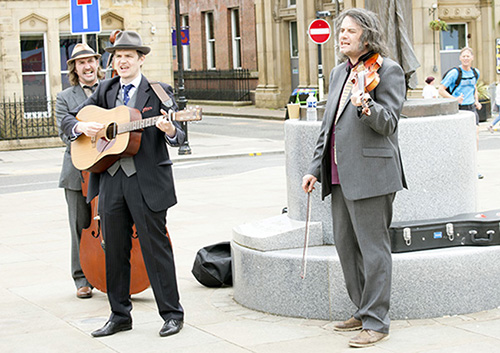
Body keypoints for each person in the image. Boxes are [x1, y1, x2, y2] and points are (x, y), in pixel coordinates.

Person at [61, 31, 185, 338]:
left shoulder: (158, 91)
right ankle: (119, 315)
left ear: (141, 59)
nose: (122, 61)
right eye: (118, 56)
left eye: (129, 56)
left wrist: (170, 129)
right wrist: (81, 126)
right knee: (114, 250)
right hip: (112, 181)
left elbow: (180, 136)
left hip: (147, 182)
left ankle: (171, 313)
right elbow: (72, 119)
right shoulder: (106, 89)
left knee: (156, 250)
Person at [302, 8, 406, 348]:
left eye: (349, 30)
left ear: (367, 35)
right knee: (347, 248)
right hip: (338, 175)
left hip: (373, 174)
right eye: (341, 30)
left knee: (374, 250)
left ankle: (377, 322)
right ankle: (362, 310)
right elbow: (327, 127)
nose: (342, 35)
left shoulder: (388, 71)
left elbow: (389, 122)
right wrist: (314, 168)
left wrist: (367, 106)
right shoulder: (338, 74)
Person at [56, 43, 105, 299]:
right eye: (81, 62)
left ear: (97, 64)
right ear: (75, 68)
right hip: (76, 173)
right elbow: (65, 135)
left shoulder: (110, 90)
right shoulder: (65, 97)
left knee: (112, 224)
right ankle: (81, 278)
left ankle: (110, 274)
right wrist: (82, 128)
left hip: (107, 169)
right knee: (80, 226)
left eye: (91, 61)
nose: (87, 66)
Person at [438, 47, 483, 179]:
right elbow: (441, 89)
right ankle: (458, 168)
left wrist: (476, 101)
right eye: (463, 56)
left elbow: (474, 87)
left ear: (472, 58)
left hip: (471, 108)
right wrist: (454, 99)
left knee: (475, 137)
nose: (466, 58)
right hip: (459, 109)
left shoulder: (475, 73)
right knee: (460, 140)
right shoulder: (454, 73)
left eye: (468, 56)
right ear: (460, 58)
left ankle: (474, 167)